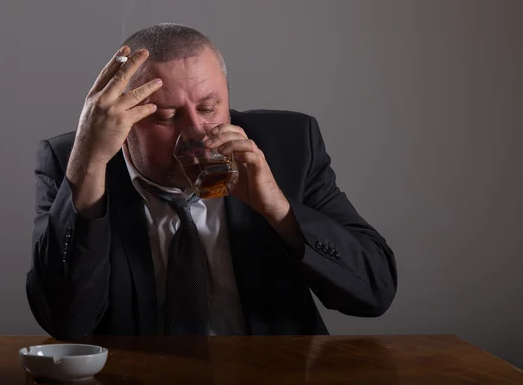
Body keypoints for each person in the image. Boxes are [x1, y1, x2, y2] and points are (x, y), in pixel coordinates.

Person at [27, 23, 397, 339]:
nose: (198, 132)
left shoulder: (290, 145)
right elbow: (66, 321)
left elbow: (375, 292)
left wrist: (279, 210)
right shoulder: (76, 163)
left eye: (208, 108)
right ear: (123, 121)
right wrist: (88, 168)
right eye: (167, 117)